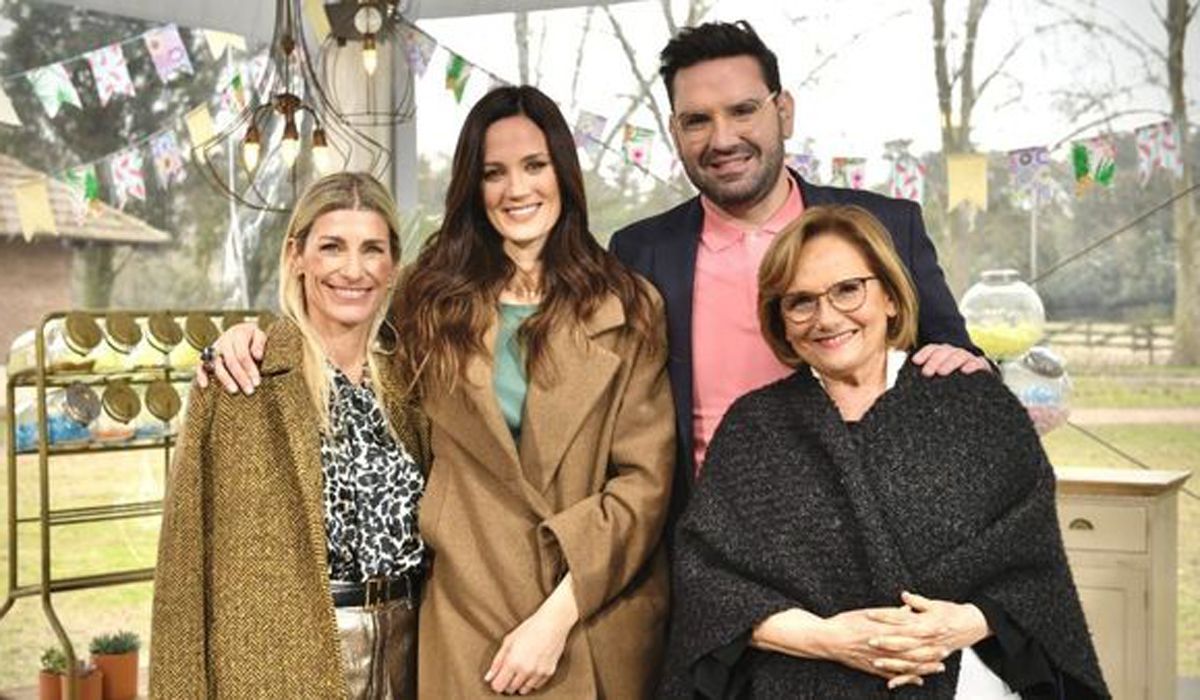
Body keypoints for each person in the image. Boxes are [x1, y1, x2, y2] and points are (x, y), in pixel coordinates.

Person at [199, 86, 676, 698]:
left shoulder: (629, 307)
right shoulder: (429, 300)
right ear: (472, 187)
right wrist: (254, 338)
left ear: (563, 171)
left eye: (534, 165)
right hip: (468, 618)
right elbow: (345, 341)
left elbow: (644, 486)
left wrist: (556, 619)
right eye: (494, 173)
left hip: (587, 616)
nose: (517, 189)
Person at [661, 204, 1108, 699]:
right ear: (781, 321)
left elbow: (1036, 572)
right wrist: (827, 639)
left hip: (962, 675)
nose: (827, 318)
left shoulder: (978, 406)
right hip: (799, 679)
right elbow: (710, 587)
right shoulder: (754, 428)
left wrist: (963, 623)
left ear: (891, 296)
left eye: (848, 289)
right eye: (801, 302)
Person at [608, 21, 989, 517]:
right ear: (674, 131)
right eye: (697, 120)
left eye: (743, 110)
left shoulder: (889, 227)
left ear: (783, 112)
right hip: (708, 539)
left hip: (873, 529)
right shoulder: (638, 253)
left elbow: (956, 361)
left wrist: (968, 366)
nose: (722, 139)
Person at [150, 172, 429, 698]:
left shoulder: (412, 383)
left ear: (393, 266)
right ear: (297, 255)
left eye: (372, 249)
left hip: (411, 660)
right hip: (284, 666)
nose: (353, 269)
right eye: (332, 247)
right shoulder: (239, 380)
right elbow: (183, 574)